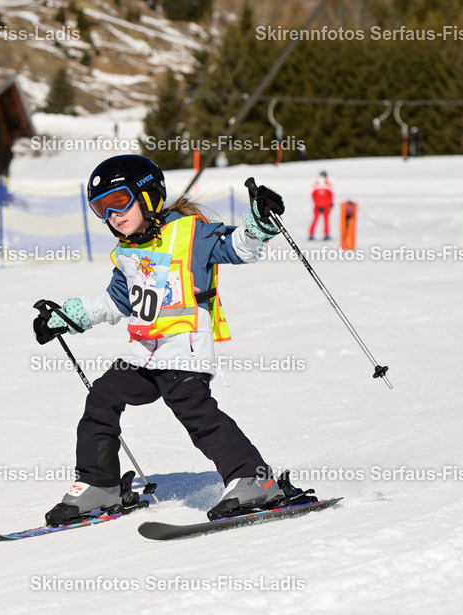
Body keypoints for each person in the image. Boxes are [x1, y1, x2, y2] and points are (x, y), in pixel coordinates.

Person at [34, 154, 316, 527]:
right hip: (143, 353)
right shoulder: (127, 253)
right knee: (100, 400)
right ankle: (98, 485)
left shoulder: (189, 234)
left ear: (147, 196)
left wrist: (259, 223)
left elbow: (239, 249)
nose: (112, 216)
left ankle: (253, 478)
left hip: (184, 348)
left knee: (195, 412)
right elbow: (115, 302)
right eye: (101, 208)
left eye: (119, 202)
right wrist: (66, 318)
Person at [309, 170, 334, 241]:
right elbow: (331, 195)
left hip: (317, 205)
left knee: (315, 219)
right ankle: (326, 234)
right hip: (326, 205)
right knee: (326, 220)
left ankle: (311, 234)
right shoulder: (328, 184)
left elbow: (313, 195)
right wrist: (331, 204)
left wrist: (317, 203)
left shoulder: (316, 184)